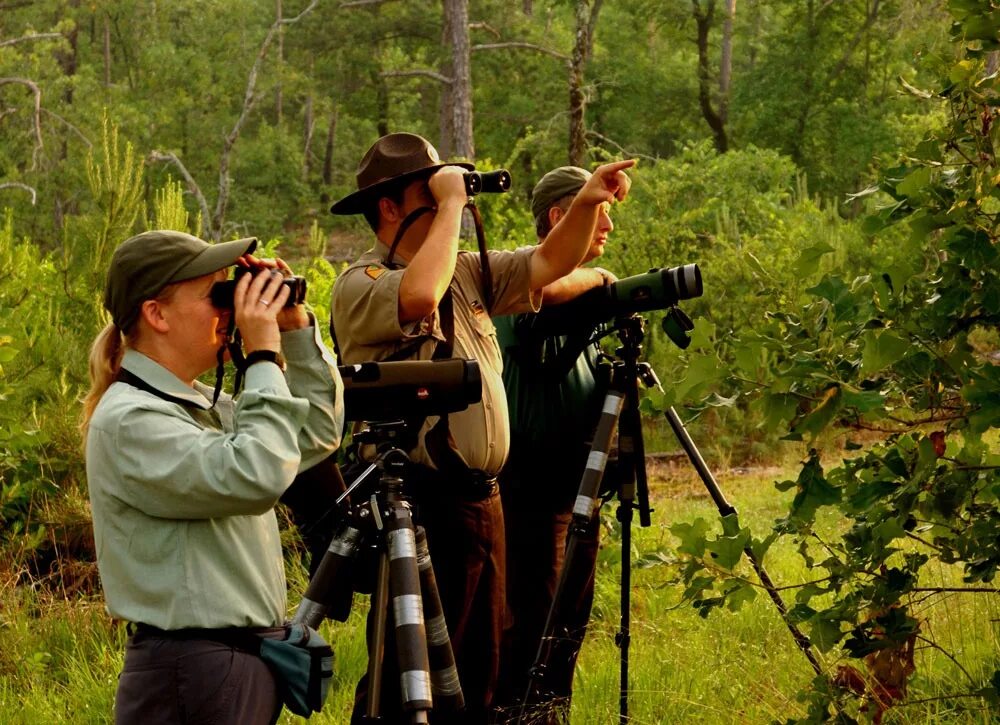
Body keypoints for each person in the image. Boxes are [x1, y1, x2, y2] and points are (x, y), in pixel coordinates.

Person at [329, 132, 632, 723]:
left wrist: (589, 200)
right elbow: (418, 295)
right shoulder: (360, 284)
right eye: (431, 188)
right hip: (418, 504)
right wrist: (449, 206)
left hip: (481, 503)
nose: (455, 197)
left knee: (479, 672)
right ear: (389, 207)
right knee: (406, 678)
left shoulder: (465, 273)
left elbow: (549, 263)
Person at [81, 230, 344, 724]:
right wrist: (263, 357)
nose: (232, 308)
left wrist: (294, 331)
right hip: (191, 674)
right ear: (156, 314)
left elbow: (312, 437)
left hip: (226, 667)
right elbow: (257, 474)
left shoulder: (199, 404)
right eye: (216, 294)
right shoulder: (131, 420)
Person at [492, 166, 618, 722]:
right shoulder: (519, 282)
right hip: (529, 487)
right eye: (599, 210)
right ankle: (515, 710)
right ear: (558, 216)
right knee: (533, 610)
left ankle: (550, 710)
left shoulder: (575, 296)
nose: (608, 224)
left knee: (571, 612)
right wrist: (601, 279)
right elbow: (545, 285)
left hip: (575, 487)